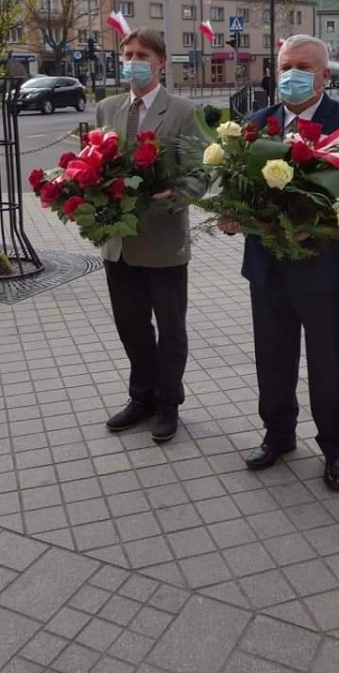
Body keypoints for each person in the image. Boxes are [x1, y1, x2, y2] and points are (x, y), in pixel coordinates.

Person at [221, 34, 339, 491]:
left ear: (325, 75)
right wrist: (233, 212)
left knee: (329, 364)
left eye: (304, 67)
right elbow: (239, 185)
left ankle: (336, 449)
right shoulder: (257, 123)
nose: (292, 75)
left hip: (324, 268)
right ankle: (278, 435)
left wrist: (318, 224)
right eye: (286, 66)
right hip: (267, 265)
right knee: (272, 358)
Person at [96, 27, 204, 443]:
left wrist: (175, 195)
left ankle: (169, 403)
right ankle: (142, 397)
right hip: (118, 244)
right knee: (132, 327)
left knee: (171, 331)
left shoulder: (183, 112)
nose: (133, 62)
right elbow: (97, 162)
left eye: (142, 55)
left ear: (160, 61)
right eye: (128, 55)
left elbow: (200, 173)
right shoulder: (107, 108)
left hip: (163, 242)